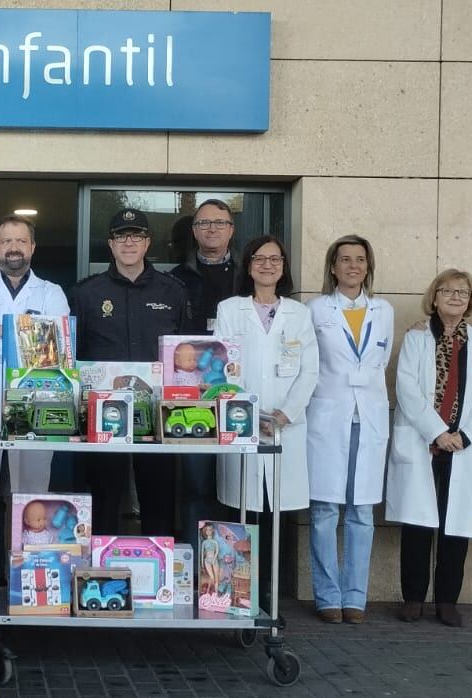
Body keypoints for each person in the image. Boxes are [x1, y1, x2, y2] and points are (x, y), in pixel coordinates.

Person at [384, 269, 472, 628]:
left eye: (463, 292)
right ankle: (412, 599)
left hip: (466, 444)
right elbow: (406, 389)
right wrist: (438, 432)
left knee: (456, 524)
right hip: (425, 440)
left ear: (471, 301)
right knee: (419, 523)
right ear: (434, 298)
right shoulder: (417, 338)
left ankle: (447, 601)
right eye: (448, 291)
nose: (456, 297)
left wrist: (465, 435)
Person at [213, 235, 318, 621]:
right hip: (242, 423)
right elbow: (222, 363)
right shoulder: (230, 309)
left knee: (276, 516)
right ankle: (242, 594)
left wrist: (284, 415)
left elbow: (310, 371)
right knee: (243, 512)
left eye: (275, 259)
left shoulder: (299, 314)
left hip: (284, 427)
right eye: (260, 258)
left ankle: (270, 595)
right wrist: (246, 413)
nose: (268, 265)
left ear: (284, 266)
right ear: (249, 265)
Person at [69, 208, 189, 536]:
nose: (129, 242)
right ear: (110, 244)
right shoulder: (86, 293)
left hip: (159, 416)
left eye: (136, 235)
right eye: (121, 235)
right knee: (103, 501)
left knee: (159, 500)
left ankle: (159, 580)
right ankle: (103, 578)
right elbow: (73, 356)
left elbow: (185, 354)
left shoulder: (173, 292)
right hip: (102, 416)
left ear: (148, 242)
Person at [304, 235, 393, 625]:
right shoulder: (316, 309)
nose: (353, 266)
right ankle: (327, 595)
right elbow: (309, 362)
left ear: (368, 266)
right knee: (324, 509)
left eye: (360, 260)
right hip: (328, 416)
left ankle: (356, 595)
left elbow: (381, 361)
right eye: (345, 260)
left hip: (368, 416)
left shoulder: (384, 310)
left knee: (361, 510)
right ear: (333, 267)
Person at [0, 215, 70, 497]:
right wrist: (28, 334)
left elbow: (55, 350)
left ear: (32, 246)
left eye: (21, 240)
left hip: (35, 406)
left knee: (28, 500)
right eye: (6, 241)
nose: (14, 247)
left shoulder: (51, 292)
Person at [172, 199, 243, 542]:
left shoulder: (249, 276)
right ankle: (192, 569)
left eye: (219, 222)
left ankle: (233, 580)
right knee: (195, 486)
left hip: (237, 394)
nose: (211, 229)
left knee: (239, 488)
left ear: (231, 229)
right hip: (190, 397)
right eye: (203, 223)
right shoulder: (176, 279)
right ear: (194, 231)